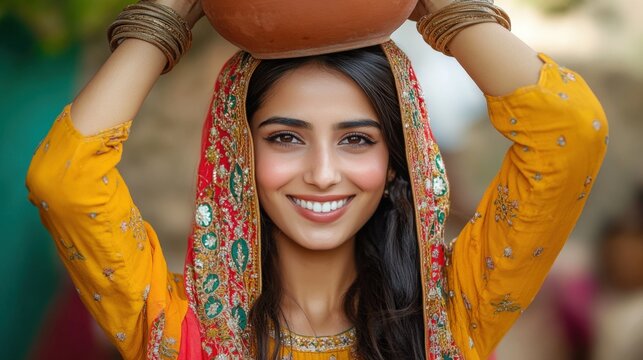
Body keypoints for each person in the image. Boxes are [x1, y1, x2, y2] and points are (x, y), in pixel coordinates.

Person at [25, 0, 608, 359]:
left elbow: (570, 132)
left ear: (396, 161)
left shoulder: (452, 315)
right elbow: (64, 181)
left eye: (357, 140)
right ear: (239, 152)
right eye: (286, 138)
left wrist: (446, 10)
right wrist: (167, 16)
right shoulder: (179, 330)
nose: (324, 175)